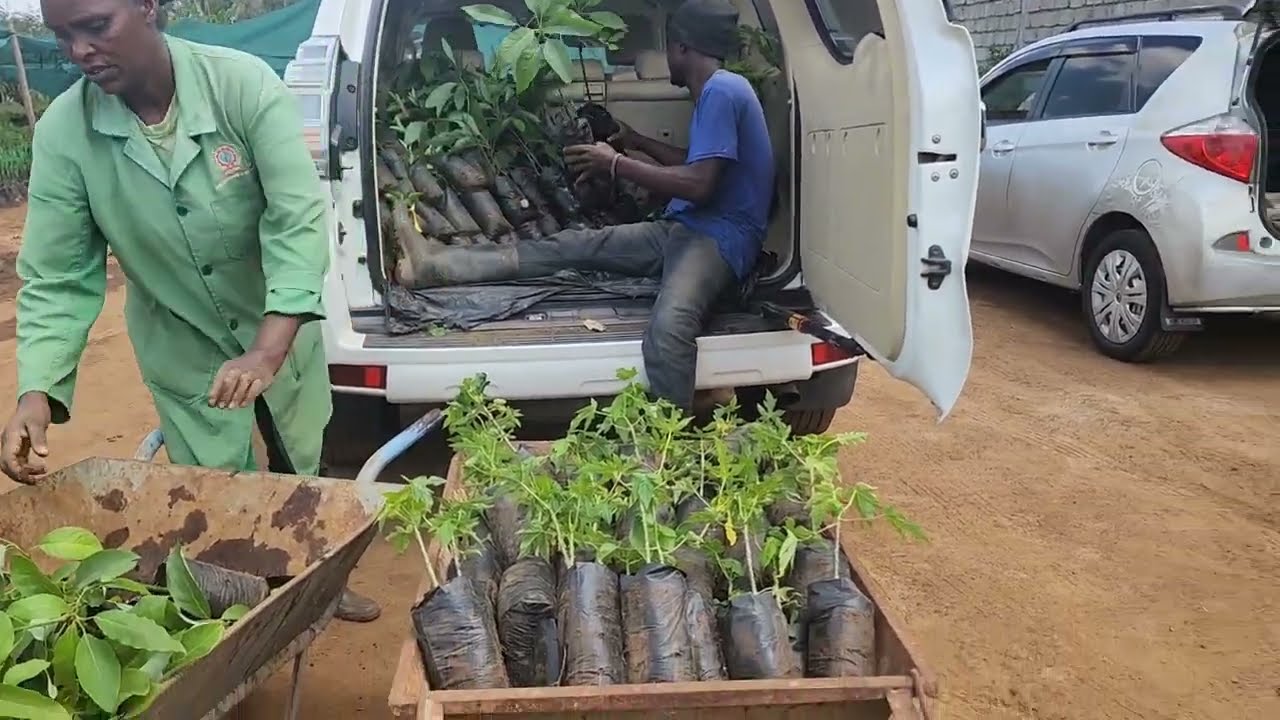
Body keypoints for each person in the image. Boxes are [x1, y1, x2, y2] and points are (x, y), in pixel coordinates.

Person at [0, 0, 380, 623]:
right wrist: (36, 391)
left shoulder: (241, 86)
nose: (78, 51)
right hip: (180, 340)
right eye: (64, 35)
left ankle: (321, 581)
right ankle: (250, 608)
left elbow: (295, 216)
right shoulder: (66, 133)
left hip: (276, 323)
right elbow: (58, 277)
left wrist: (269, 345)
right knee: (216, 484)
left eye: (95, 26)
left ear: (149, 7)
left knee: (302, 459)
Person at [424, 0, 775, 413]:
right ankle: (447, 266)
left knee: (670, 326)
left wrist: (616, 163)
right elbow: (698, 164)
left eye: (668, 49)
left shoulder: (722, 89)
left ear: (682, 47)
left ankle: (666, 447)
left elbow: (699, 184)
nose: (666, 59)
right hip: (687, 227)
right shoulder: (719, 89)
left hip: (721, 238)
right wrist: (639, 141)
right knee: (575, 244)